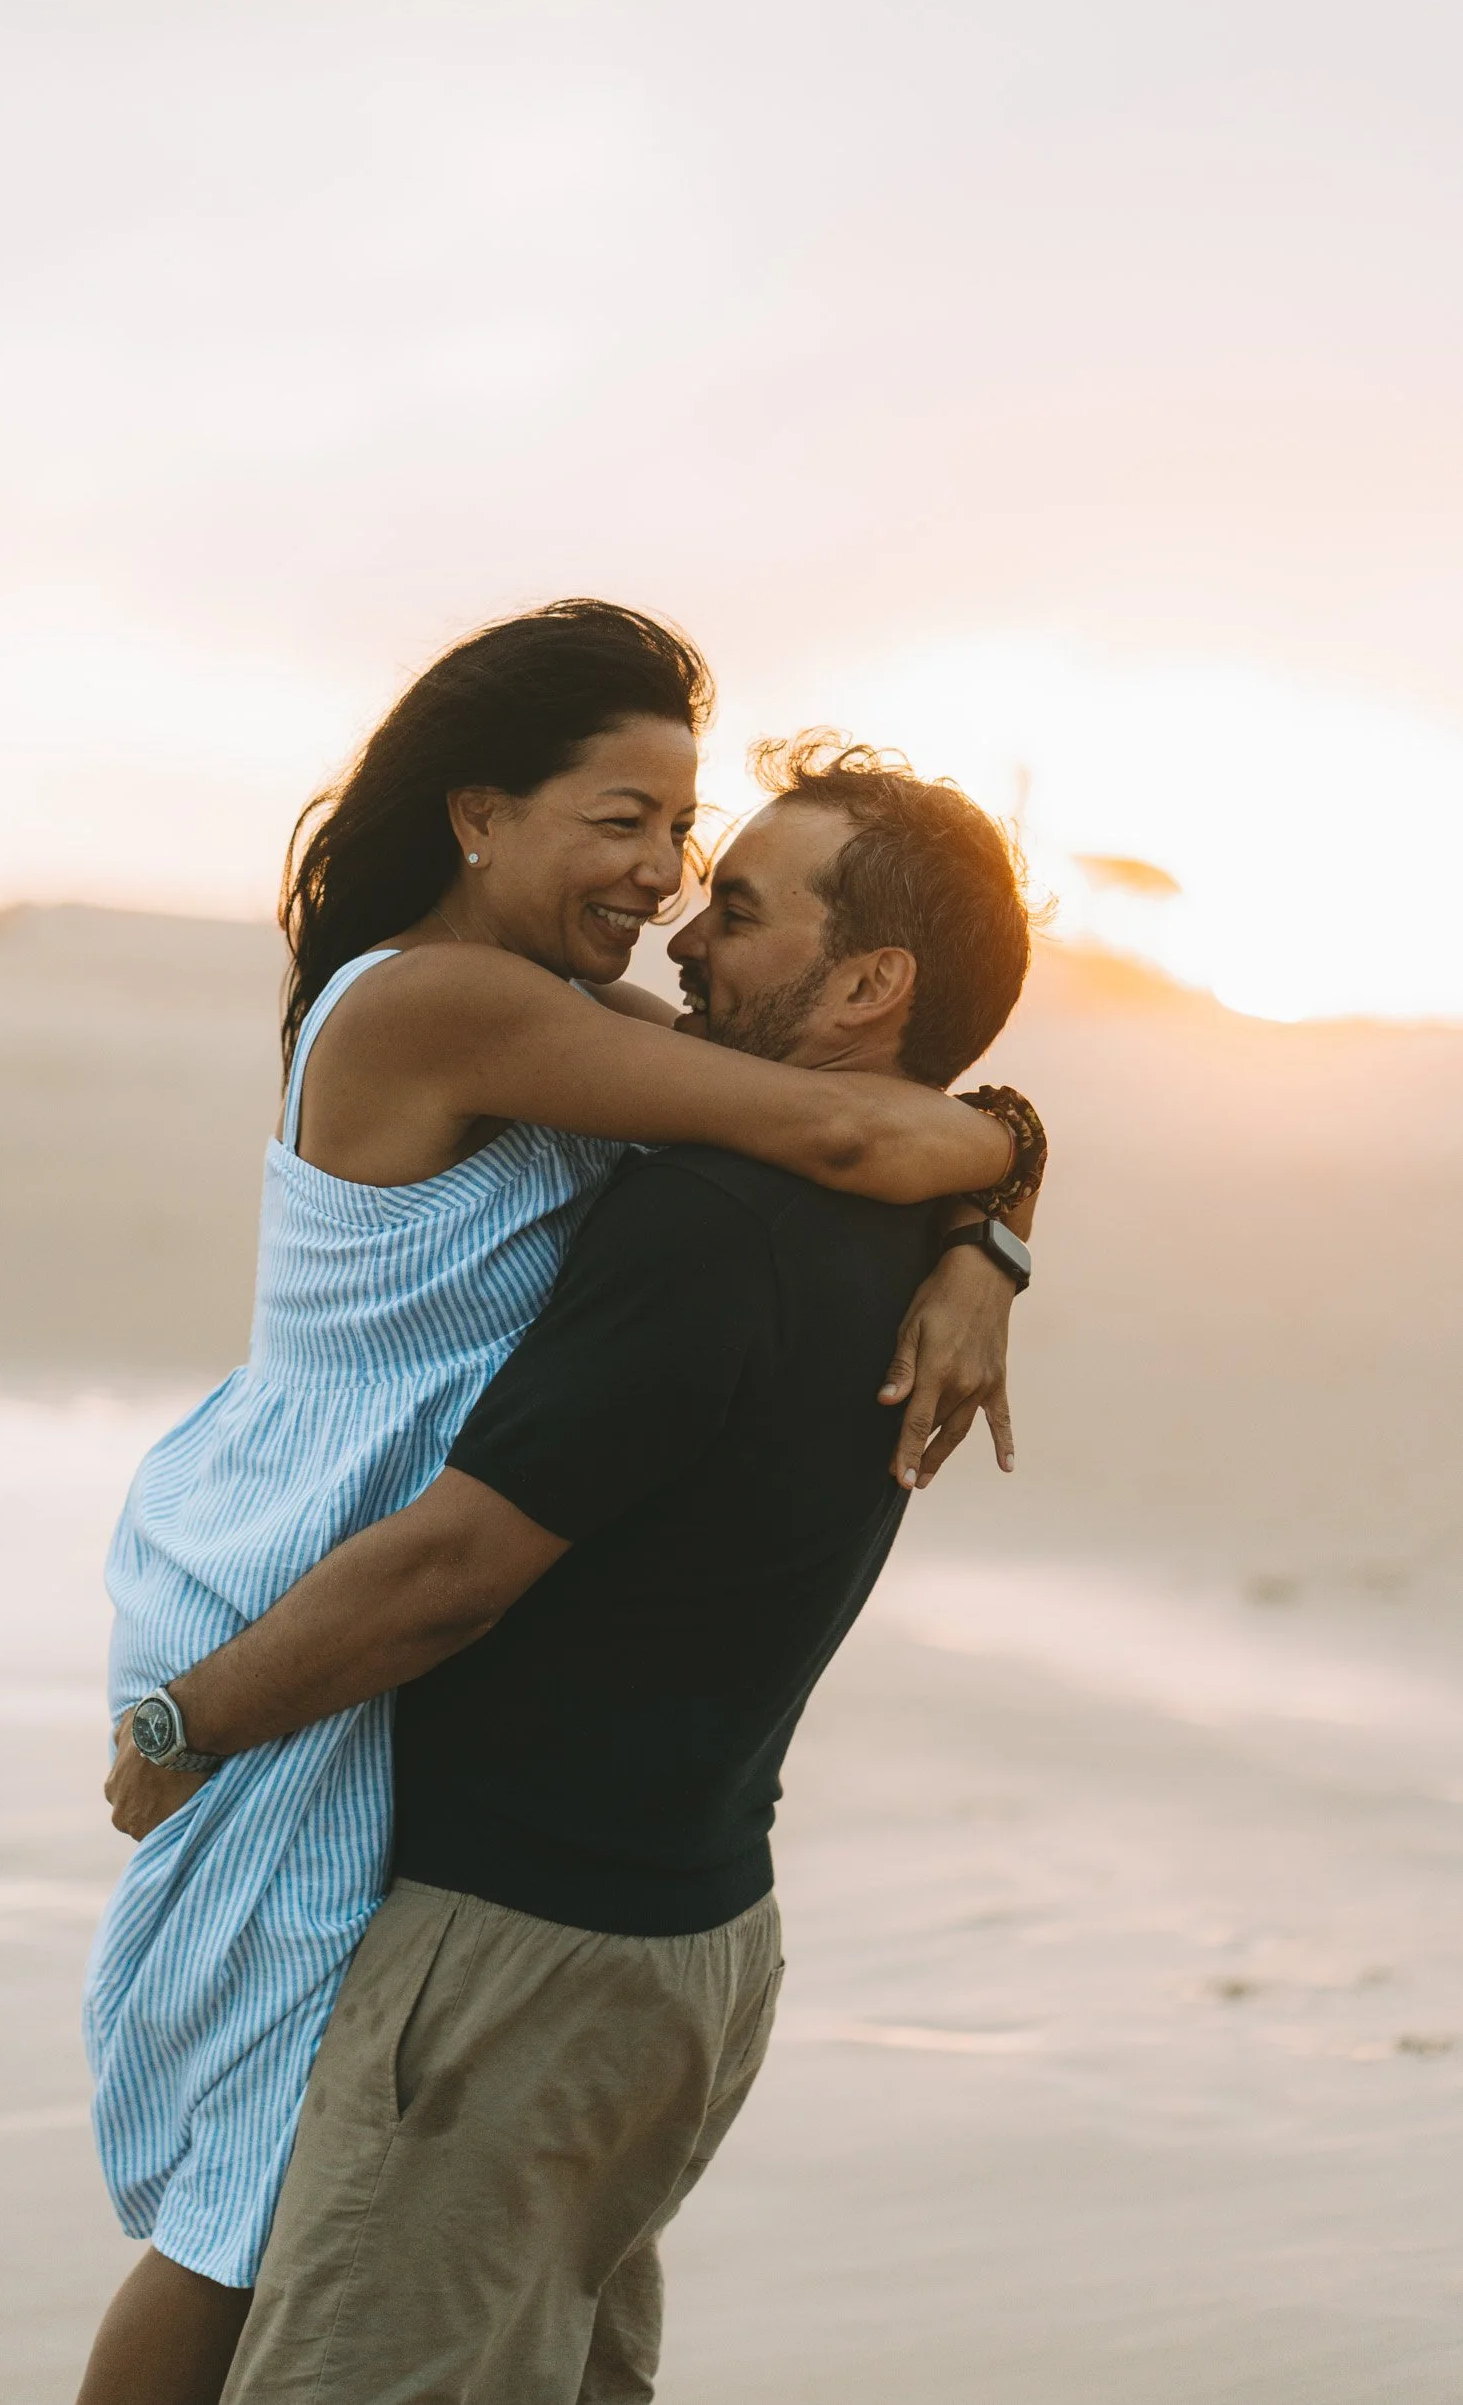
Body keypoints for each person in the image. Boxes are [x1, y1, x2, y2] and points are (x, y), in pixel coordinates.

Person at [76, 604, 1028, 2405]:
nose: (665, 881)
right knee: (244, 2194)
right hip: (300, 1579)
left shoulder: (579, 1027)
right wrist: (1000, 1179)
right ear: (476, 813)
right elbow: (841, 1128)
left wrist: (995, 1214)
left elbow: (837, 1123)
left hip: (378, 1580)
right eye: (627, 820)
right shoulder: (446, 1001)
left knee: (266, 2183)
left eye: (687, 841)